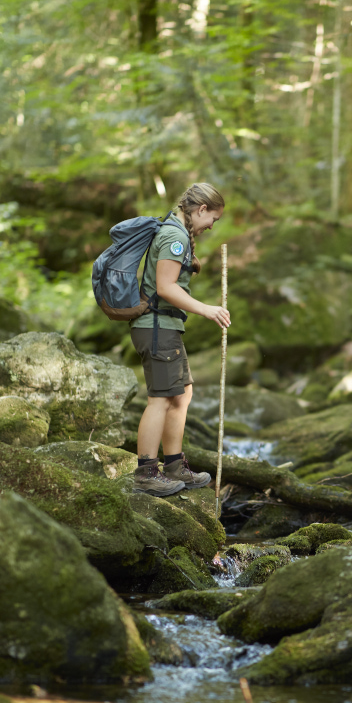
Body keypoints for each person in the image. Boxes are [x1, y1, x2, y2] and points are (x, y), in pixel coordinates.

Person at [131, 182, 230, 496]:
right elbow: (165, 287)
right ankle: (147, 471)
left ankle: (174, 465)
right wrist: (206, 309)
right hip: (157, 327)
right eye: (212, 219)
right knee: (160, 398)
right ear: (201, 210)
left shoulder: (177, 231)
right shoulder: (175, 235)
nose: (212, 226)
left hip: (166, 327)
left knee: (182, 393)